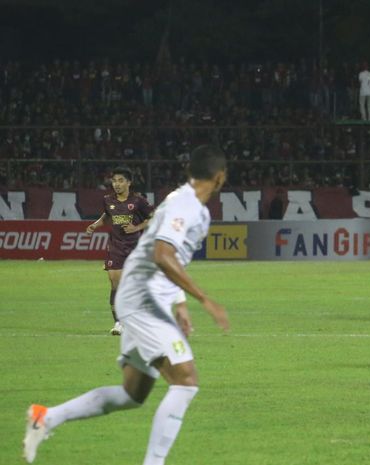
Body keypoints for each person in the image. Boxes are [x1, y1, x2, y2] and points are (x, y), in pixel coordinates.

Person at [24, 145, 231, 465]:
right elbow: (162, 255)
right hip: (142, 297)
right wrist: (203, 299)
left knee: (132, 394)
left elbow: (169, 254)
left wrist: (180, 303)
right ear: (220, 177)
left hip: (147, 297)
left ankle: (46, 417)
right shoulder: (186, 205)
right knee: (186, 382)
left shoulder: (190, 206)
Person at [86, 167, 154, 336]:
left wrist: (136, 227)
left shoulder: (139, 201)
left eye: (120, 180)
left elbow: (154, 217)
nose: (116, 184)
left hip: (135, 248)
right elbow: (107, 216)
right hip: (115, 246)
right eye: (114, 181)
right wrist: (96, 224)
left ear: (129, 182)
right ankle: (119, 322)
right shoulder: (108, 199)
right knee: (115, 283)